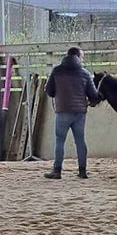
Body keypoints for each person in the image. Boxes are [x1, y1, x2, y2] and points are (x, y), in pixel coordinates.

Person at [43, 46, 100, 180]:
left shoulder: (57, 71)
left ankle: (57, 171)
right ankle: (82, 170)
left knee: (59, 141)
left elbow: (50, 91)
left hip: (62, 111)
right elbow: (93, 94)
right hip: (80, 111)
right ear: (78, 57)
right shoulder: (85, 73)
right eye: (82, 56)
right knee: (80, 140)